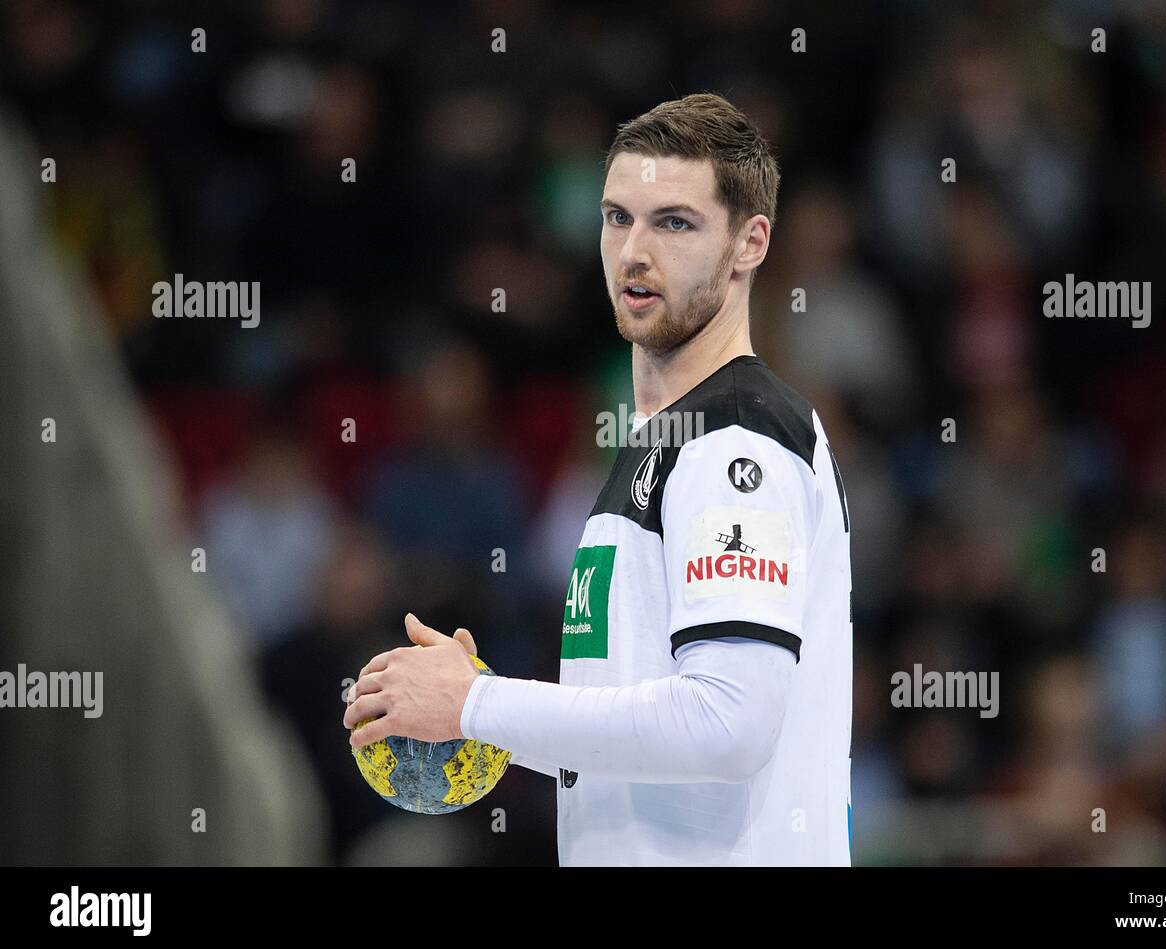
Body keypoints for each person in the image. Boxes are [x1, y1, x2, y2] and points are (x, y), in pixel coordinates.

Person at [344, 93, 853, 865]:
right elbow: (648, 746)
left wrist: (479, 702)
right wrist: (474, 718)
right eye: (618, 217)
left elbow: (730, 724)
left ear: (750, 243)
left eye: (674, 222)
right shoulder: (659, 443)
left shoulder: (737, 433)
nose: (635, 250)